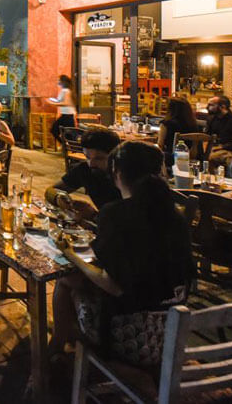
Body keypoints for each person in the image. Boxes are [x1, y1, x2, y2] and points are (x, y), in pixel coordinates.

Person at [50, 141, 195, 363]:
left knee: (67, 280)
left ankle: (59, 352)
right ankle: (62, 351)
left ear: (116, 172)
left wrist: (70, 253)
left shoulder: (116, 213)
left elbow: (112, 284)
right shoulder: (174, 214)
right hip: (174, 330)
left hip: (133, 339)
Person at [45, 127, 121, 222]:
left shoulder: (124, 177)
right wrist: (59, 198)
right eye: (87, 157)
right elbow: (50, 190)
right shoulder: (85, 170)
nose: (91, 164)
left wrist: (93, 215)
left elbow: (130, 221)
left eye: (99, 158)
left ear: (115, 156)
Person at [204, 95, 232, 168]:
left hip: (231, 151)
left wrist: (221, 147)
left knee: (211, 157)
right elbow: (207, 136)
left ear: (223, 107)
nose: (207, 107)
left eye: (211, 105)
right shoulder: (211, 119)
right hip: (215, 148)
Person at [157, 97, 199, 173]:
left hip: (173, 158)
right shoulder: (194, 124)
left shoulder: (166, 124)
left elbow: (160, 145)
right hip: (193, 158)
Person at [48, 75, 77, 147]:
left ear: (63, 82)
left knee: (56, 130)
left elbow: (66, 103)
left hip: (67, 115)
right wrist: (55, 101)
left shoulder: (65, 91)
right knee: (68, 135)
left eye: (59, 80)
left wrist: (53, 103)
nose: (57, 81)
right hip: (67, 115)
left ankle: (69, 148)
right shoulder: (67, 90)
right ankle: (68, 148)